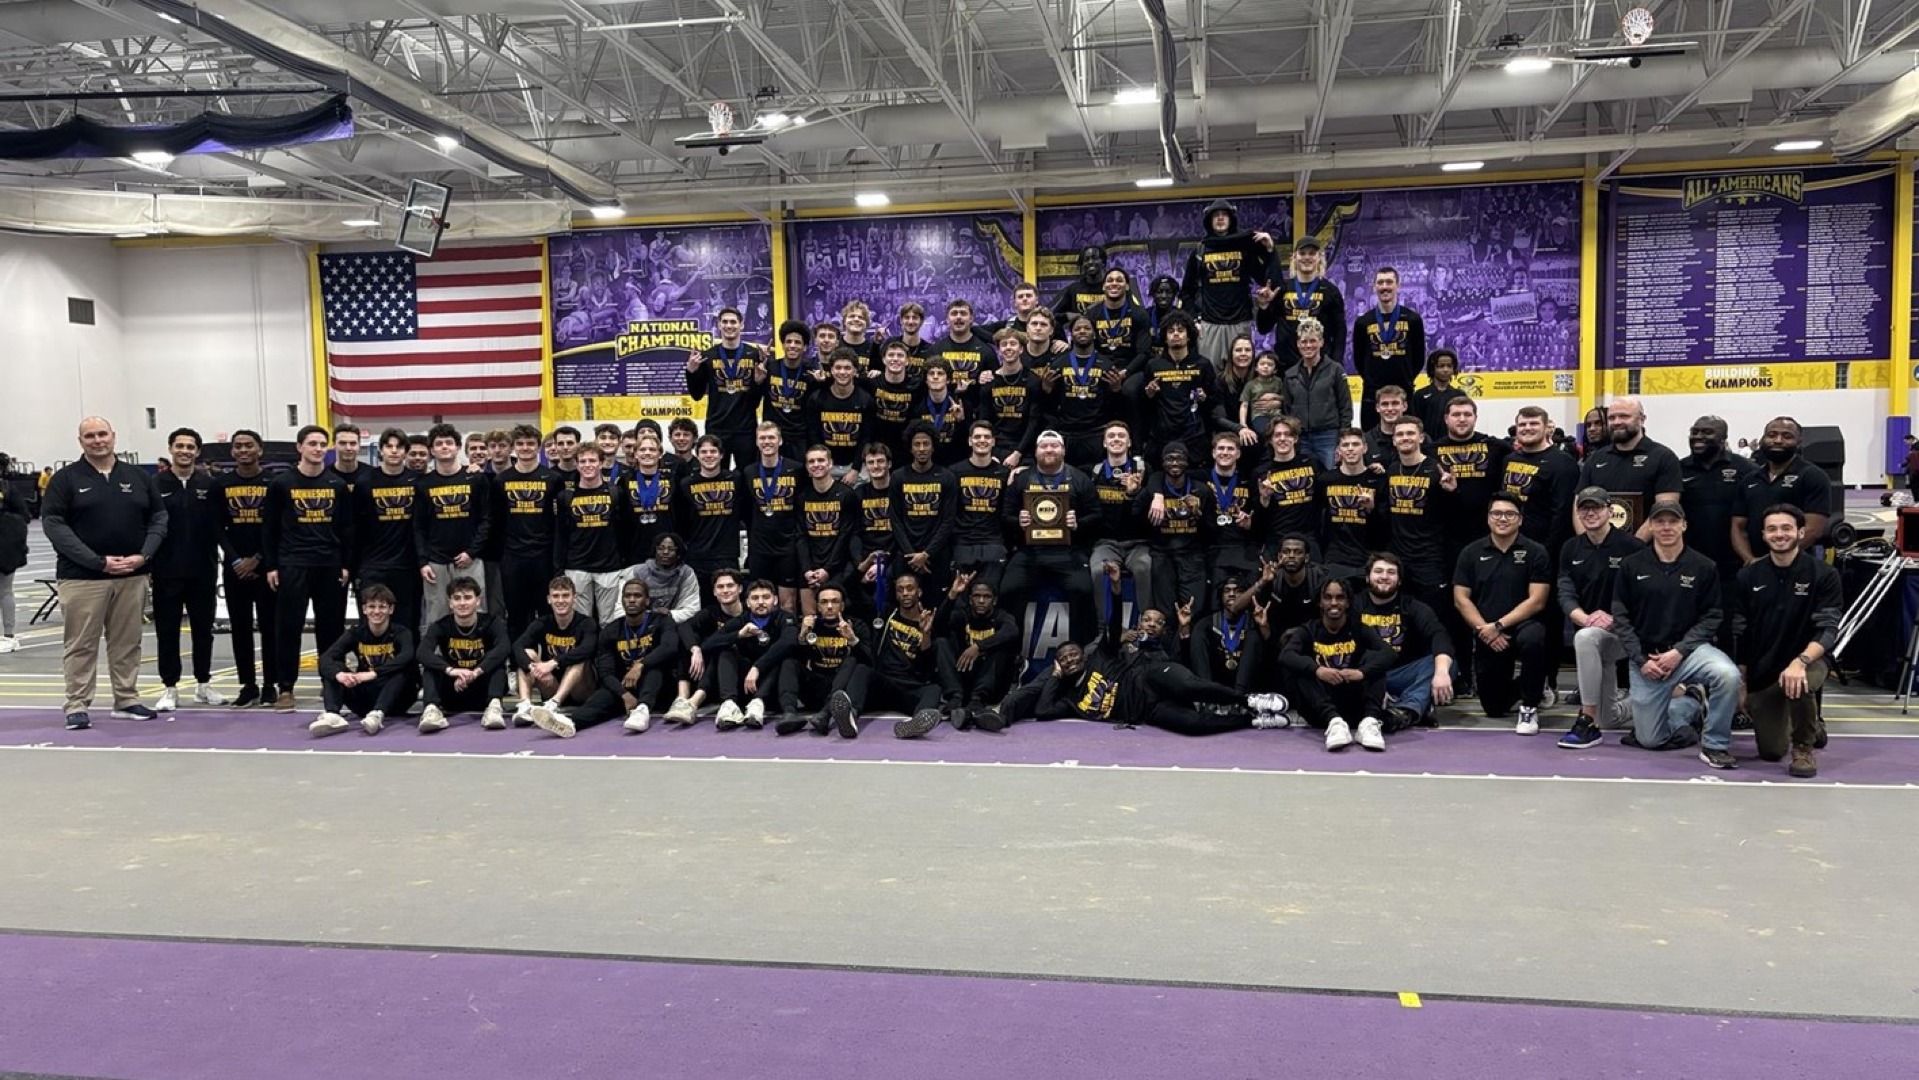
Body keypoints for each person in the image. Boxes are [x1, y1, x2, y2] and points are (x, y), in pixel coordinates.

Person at [41, 417, 168, 729]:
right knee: (81, 644)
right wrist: (97, 561)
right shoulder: (65, 479)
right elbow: (54, 525)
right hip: (83, 578)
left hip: (132, 576)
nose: (97, 440)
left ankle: (126, 699)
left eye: (102, 434)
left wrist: (144, 555)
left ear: (114, 436)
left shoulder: (137, 476)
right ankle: (76, 704)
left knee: (127, 642)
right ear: (80, 441)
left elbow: (159, 517)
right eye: (90, 436)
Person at [1039, 562, 1256, 735]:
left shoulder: (1100, 657)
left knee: (1187, 685)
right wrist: (1056, 676)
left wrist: (1116, 588)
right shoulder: (1072, 700)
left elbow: (1113, 624)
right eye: (1064, 659)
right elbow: (1043, 711)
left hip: (1152, 677)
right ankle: (1253, 720)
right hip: (1145, 709)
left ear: (1084, 656)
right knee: (1193, 725)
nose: (1070, 660)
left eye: (1073, 654)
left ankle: (1249, 700)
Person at [1607, 500, 1742, 769]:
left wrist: (1680, 651)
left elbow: (1712, 616)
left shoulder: (1703, 566)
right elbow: (1621, 619)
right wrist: (1641, 659)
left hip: (1689, 652)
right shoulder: (1631, 566)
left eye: (1672, 521)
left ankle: (1715, 745)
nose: (1666, 527)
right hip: (1647, 658)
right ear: (1651, 526)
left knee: (1728, 675)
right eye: (1659, 521)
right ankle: (1692, 702)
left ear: (1684, 525)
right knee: (1650, 740)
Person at [1731, 504, 1842, 778]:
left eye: (1786, 528)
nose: (1779, 534)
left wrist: (1800, 661)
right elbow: (1740, 630)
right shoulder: (1748, 576)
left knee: (1798, 682)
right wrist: (1742, 681)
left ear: (1800, 532)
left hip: (1809, 660)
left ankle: (1804, 748)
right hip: (1765, 668)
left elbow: (1828, 629)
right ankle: (1811, 724)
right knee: (1770, 751)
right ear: (1764, 535)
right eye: (1772, 529)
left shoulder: (1824, 575)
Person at [263, 425, 353, 713]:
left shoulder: (336, 485)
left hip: (328, 565)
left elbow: (347, 528)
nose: (317, 448)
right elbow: (269, 529)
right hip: (293, 564)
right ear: (299, 447)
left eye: (321, 444)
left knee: (332, 631)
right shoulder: (281, 484)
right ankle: (285, 688)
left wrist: (346, 564)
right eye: (312, 443)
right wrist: (272, 565)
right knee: (288, 629)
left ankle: (330, 683)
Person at [1555, 487, 1649, 749]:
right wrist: (1584, 618)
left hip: (1631, 633)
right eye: (1585, 508)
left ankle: (1586, 719)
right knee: (1610, 719)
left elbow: (1642, 597)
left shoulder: (1632, 547)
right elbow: (1565, 592)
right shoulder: (1571, 548)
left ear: (1610, 510)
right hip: (1595, 633)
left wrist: (1614, 617)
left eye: (1596, 507)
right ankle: (1663, 698)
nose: (1591, 512)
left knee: (1585, 638)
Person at [1452, 493, 1552, 734]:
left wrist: (1499, 625)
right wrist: (1486, 631)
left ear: (1520, 519)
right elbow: (1461, 599)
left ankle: (1529, 705)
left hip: (1523, 626)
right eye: (1497, 513)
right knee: (1494, 707)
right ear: (1488, 518)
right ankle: (1537, 682)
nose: (1503, 519)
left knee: (1534, 639)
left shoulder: (1536, 552)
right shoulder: (1471, 552)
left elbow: (1537, 601)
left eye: (1510, 514)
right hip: (1486, 630)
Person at [150, 427, 226, 712]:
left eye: (190, 446)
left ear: (198, 451)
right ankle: (170, 688)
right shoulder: (155, 485)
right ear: (171, 449)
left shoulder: (210, 485)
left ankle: (203, 685)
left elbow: (220, 527)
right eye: (179, 446)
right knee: (167, 632)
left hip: (202, 571)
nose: (184, 451)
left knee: (203, 631)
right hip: (166, 572)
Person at [1000, 431, 1102, 643]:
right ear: (1035, 452)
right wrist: (1018, 521)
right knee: (1009, 589)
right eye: (1044, 446)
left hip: (1068, 552)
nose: (1049, 450)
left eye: (1054, 446)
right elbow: (1005, 515)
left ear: (1063, 450)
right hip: (1030, 552)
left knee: (1083, 590)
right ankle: (1010, 653)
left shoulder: (1079, 478)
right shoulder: (1022, 478)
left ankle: (1081, 652)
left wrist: (1078, 523)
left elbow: (1096, 515)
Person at [1278, 576, 1393, 751]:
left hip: (1354, 704)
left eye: (1340, 598)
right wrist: (1318, 670)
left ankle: (1369, 723)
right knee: (1301, 665)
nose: (1334, 603)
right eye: (1328, 597)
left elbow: (1388, 653)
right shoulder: (1308, 630)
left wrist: (1361, 672)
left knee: (1375, 660)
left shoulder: (1359, 628)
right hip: (1320, 710)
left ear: (1347, 603)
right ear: (1320, 603)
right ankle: (1335, 723)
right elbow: (1286, 655)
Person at [212, 429, 275, 708]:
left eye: (249, 445)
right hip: (235, 568)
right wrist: (236, 559)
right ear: (232, 451)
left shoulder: (274, 483)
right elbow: (217, 527)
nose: (243, 450)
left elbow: (276, 526)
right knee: (240, 628)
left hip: (266, 566)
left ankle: (271, 684)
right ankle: (247, 685)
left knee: (270, 627)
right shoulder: (221, 484)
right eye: (238, 446)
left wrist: (258, 558)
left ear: (260, 449)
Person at [1357, 552, 1455, 731]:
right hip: (1364, 675)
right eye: (1378, 571)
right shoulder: (1353, 606)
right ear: (1367, 577)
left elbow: (1439, 635)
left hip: (1401, 675)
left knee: (1444, 663)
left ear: (1400, 580)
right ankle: (1415, 708)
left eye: (1391, 572)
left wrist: (1441, 672)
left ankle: (1403, 711)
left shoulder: (1412, 606)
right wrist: (1372, 684)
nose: (1384, 577)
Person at [572, 577, 682, 733]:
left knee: (654, 667)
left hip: (659, 689)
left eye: (637, 596)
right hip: (626, 687)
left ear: (647, 601)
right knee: (601, 698)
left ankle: (642, 710)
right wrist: (624, 695)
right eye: (627, 596)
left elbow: (669, 647)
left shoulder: (662, 621)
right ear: (622, 601)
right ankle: (570, 722)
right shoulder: (610, 631)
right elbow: (605, 672)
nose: (631, 600)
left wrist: (641, 665)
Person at [310, 583, 417, 737]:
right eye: (372, 607)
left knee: (403, 670)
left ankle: (377, 714)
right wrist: (339, 675)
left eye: (382, 607)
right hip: (363, 698)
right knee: (335, 667)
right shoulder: (355, 633)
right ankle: (332, 715)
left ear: (391, 609)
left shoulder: (401, 632)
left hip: (395, 698)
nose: (377, 611)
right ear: (364, 609)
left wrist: (374, 673)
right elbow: (326, 658)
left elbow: (407, 657)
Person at [416, 423, 493, 626]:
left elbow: (486, 520)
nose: (444, 447)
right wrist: (423, 562)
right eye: (439, 443)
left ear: (458, 447)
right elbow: (418, 526)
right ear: (432, 450)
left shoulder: (476, 479)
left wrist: (472, 551)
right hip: (436, 562)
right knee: (437, 613)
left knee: (476, 610)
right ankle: (436, 658)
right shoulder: (423, 483)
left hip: (470, 559)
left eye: (449, 442)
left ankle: (477, 655)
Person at [1179, 198, 1273, 365]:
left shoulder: (1244, 247)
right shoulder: (1200, 251)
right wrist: (1193, 320)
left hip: (1240, 322)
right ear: (1209, 221)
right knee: (1210, 377)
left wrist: (1270, 251)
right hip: (1210, 325)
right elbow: (1186, 291)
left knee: (1242, 375)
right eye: (1216, 215)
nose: (1220, 218)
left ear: (1231, 219)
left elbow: (1265, 278)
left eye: (1224, 214)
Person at [1576, 396, 1682, 542]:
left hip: (1645, 553)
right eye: (1612, 418)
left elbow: (1664, 508)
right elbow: (1578, 506)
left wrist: (1633, 546)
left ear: (1642, 419)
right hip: (1599, 551)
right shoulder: (1595, 459)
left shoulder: (1663, 457)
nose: (1617, 422)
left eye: (1624, 416)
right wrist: (1587, 544)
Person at [772, 583, 868, 738]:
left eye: (835, 601)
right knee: (788, 662)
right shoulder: (811, 625)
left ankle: (825, 714)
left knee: (853, 661)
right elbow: (799, 659)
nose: (829, 606)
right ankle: (789, 713)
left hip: (842, 691)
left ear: (842, 605)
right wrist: (802, 637)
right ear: (818, 606)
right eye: (824, 602)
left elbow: (870, 662)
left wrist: (852, 639)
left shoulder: (856, 625)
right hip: (816, 686)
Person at [1732, 417, 1833, 563]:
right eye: (1771, 435)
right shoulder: (1749, 480)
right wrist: (1749, 560)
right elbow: (1738, 527)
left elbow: (1813, 529)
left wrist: (1775, 560)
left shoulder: (1813, 476)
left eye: (1787, 436)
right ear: (1762, 440)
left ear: (1799, 442)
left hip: (1797, 566)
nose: (1778, 440)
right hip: (1754, 567)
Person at [418, 576, 511, 733]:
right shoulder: (440, 626)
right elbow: (422, 652)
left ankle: (494, 708)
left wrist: (475, 672)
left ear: (478, 601)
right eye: (457, 598)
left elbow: (504, 647)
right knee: (432, 665)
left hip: (483, 688)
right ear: (450, 603)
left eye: (468, 598)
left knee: (497, 663)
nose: (462, 603)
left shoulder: (491, 623)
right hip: (453, 689)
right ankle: (432, 710)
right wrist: (452, 671)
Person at [702, 578, 797, 731]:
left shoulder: (785, 617)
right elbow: (707, 645)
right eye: (755, 598)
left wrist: (757, 667)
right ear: (747, 602)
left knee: (783, 654)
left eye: (766, 597)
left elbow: (790, 641)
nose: (760, 602)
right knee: (726, 651)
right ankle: (729, 705)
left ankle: (758, 703)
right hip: (745, 687)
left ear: (775, 600)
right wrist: (738, 635)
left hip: (771, 688)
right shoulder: (741, 620)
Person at [356, 429, 426, 637]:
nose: (394, 451)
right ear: (381, 450)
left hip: (408, 565)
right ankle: (371, 665)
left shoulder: (418, 482)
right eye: (389, 446)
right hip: (374, 565)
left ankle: (407, 669)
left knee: (408, 622)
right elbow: (356, 527)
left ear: (406, 452)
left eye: (399, 447)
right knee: (373, 621)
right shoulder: (365, 482)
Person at [514, 576, 600, 737]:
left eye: (565, 595)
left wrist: (553, 663)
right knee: (528, 654)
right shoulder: (542, 622)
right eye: (556, 596)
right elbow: (517, 646)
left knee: (579, 658)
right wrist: (533, 667)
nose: (560, 601)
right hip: (551, 684)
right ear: (549, 599)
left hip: (580, 689)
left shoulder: (586, 623)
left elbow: (588, 648)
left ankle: (554, 704)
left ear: (574, 598)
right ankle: (525, 705)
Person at [934, 574, 1022, 731]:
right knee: (941, 642)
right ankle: (956, 698)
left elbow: (1012, 631)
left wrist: (979, 646)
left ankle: (977, 702)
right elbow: (938, 625)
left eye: (986, 597)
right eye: (977, 596)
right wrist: (953, 594)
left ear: (994, 601)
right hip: (964, 679)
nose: (981, 601)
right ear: (970, 599)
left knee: (1001, 646)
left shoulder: (1002, 616)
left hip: (990, 685)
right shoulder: (963, 614)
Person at [684, 306, 765, 468]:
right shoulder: (708, 356)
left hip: (745, 429)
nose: (729, 326)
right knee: (718, 476)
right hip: (717, 428)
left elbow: (755, 400)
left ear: (741, 325)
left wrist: (758, 382)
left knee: (747, 476)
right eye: (725, 322)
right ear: (719, 325)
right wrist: (691, 372)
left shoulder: (754, 355)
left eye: (733, 322)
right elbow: (697, 395)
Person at [1254, 237, 1346, 375]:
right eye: (1302, 253)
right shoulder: (1282, 289)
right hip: (1286, 368)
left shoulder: (1330, 291)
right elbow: (1263, 328)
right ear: (1294, 257)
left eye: (1312, 253)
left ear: (1319, 258)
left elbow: (1339, 332)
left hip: (1320, 369)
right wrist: (1263, 306)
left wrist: (1336, 364)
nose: (1307, 257)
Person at [1352, 267, 1426, 432]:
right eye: (1380, 282)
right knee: (1372, 442)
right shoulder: (1363, 322)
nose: (1384, 286)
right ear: (1374, 287)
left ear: (1397, 286)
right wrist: (1373, 380)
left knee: (1406, 439)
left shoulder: (1413, 319)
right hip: (1372, 393)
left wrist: (1404, 377)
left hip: (1404, 390)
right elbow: (1358, 360)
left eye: (1389, 282)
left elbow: (1419, 358)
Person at [1280, 317, 1350, 468]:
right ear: (1298, 344)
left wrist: (1343, 439)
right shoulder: (1290, 374)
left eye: (1312, 341)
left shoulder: (1336, 370)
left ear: (1321, 342)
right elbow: (1286, 410)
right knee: (1304, 482)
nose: (1308, 345)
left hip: (1328, 436)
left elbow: (1345, 407)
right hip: (1300, 438)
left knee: (1330, 478)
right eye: (1304, 342)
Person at [1411, 349, 1469, 438]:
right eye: (1441, 366)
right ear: (1433, 369)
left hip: (1452, 445)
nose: (1445, 370)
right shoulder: (1420, 395)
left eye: (1449, 366)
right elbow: (1414, 423)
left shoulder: (1459, 395)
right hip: (1427, 446)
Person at [1238, 350, 1286, 441]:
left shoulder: (1279, 382)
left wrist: (1275, 396)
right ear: (1256, 367)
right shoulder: (1250, 385)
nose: (1265, 367)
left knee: (1284, 429)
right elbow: (1244, 405)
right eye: (1262, 364)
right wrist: (1243, 423)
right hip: (1259, 416)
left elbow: (1285, 397)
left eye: (1270, 364)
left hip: (1277, 415)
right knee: (1267, 431)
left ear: (1275, 370)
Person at [0, 476, 25, 653]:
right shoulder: (9, 487)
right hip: (8, 546)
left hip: (6, 546)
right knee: (5, 592)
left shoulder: (8, 488)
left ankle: (9, 636)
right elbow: (25, 514)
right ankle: (9, 636)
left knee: (5, 591)